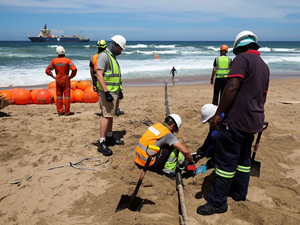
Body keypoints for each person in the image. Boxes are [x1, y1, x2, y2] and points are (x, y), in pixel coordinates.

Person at [197, 30, 270, 215]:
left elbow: (232, 87)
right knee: (244, 159)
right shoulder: (264, 66)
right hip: (254, 120)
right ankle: (239, 193)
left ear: (239, 48)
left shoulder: (242, 60)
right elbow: (262, 97)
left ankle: (217, 202)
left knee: (225, 162)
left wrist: (219, 113)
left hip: (236, 120)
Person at [135, 114, 194, 179]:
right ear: (173, 126)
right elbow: (186, 152)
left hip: (138, 159)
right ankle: (168, 173)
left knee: (167, 145)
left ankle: (184, 163)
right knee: (174, 148)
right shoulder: (167, 134)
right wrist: (191, 163)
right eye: (175, 129)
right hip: (148, 164)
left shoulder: (156, 126)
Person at [96, 35, 126, 156]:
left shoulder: (112, 57)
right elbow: (99, 74)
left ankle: (109, 137)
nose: (121, 51)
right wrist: (106, 92)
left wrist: (120, 90)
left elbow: (115, 75)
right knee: (106, 116)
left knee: (111, 115)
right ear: (115, 45)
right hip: (108, 92)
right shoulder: (104, 56)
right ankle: (102, 142)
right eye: (120, 49)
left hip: (115, 91)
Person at [90, 39, 124, 117]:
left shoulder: (93, 57)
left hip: (98, 81)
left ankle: (103, 111)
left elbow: (91, 71)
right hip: (104, 81)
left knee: (100, 98)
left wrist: (93, 82)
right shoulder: (106, 56)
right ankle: (107, 112)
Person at [45, 46, 77, 116]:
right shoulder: (68, 60)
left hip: (58, 80)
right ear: (64, 52)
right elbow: (74, 69)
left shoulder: (54, 61)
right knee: (67, 96)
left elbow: (47, 70)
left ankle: (60, 111)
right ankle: (67, 111)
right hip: (66, 79)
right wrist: (71, 76)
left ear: (57, 53)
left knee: (59, 96)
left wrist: (53, 76)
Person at [195, 104, 224, 169]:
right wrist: (204, 146)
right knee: (208, 151)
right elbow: (210, 135)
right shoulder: (215, 122)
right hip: (219, 140)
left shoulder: (225, 120)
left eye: (208, 120)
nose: (209, 122)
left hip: (229, 144)